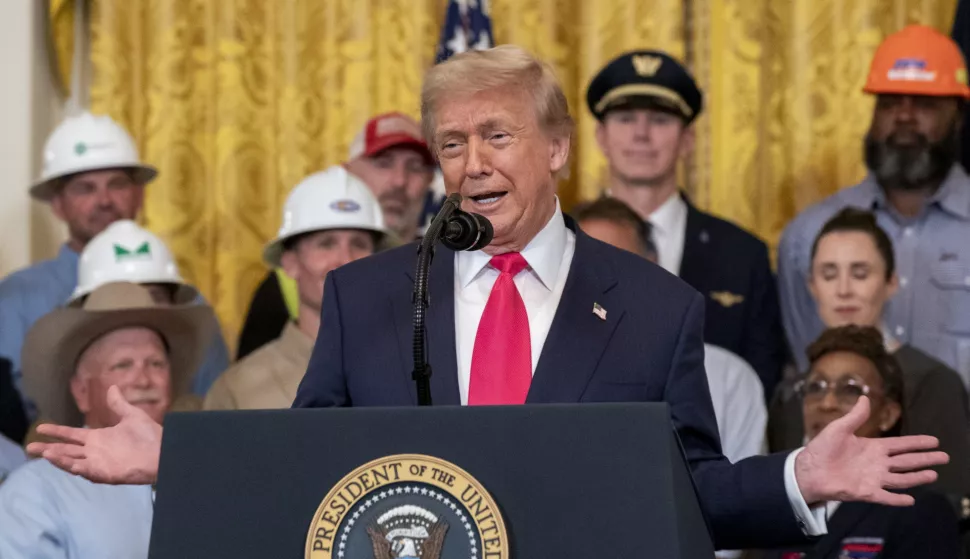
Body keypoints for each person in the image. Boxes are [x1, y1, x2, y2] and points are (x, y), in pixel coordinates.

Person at [27, 45, 948, 552]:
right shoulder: (369, 295)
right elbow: (307, 474)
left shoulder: (654, 305)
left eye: (496, 135)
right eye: (452, 143)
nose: (471, 164)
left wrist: (798, 478)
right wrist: (178, 458)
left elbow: (686, 492)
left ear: (555, 149)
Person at [586, 50, 785, 399]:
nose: (642, 134)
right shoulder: (563, 239)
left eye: (661, 120)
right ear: (601, 136)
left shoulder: (742, 255)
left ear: (689, 140)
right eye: (626, 118)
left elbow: (760, 380)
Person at [778, 25, 970, 384]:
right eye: (889, 102)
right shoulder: (809, 235)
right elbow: (806, 364)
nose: (904, 116)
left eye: (925, 104)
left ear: (957, 117)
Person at [0, 282, 214, 557]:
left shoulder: (207, 473)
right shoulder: (34, 493)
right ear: (82, 391)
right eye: (123, 365)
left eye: (156, 364)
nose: (144, 379)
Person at [769, 207, 970, 498]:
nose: (844, 289)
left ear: (891, 283)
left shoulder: (933, 383)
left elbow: (952, 500)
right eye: (829, 274)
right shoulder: (790, 393)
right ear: (812, 286)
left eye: (860, 273)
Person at [572, 196, 767, 464]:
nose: (604, 283)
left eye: (618, 265)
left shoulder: (726, 376)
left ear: (652, 266)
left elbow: (739, 496)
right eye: (587, 266)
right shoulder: (537, 359)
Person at [235, 112, 436, 360]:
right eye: (383, 163)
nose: (399, 181)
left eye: (415, 167)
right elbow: (252, 386)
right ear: (348, 172)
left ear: (430, 180)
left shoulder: (445, 270)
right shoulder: (281, 287)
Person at [754, 325, 961, 559]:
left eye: (850, 389)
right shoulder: (777, 506)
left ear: (887, 414)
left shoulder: (918, 509)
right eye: (815, 387)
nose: (827, 403)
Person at [0, 111, 155, 418]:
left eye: (118, 184)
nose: (105, 200)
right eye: (85, 188)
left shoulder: (179, 295)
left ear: (138, 195)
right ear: (57, 204)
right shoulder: (15, 299)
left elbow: (202, 402)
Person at [204, 166, 388, 410]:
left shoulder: (414, 370)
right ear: (290, 263)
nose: (345, 260)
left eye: (359, 244)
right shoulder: (238, 389)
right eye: (326, 244)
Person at [69, 219, 230, 398]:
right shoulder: (53, 425)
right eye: (119, 295)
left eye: (155, 296)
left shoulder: (205, 350)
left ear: (175, 304)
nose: (140, 305)